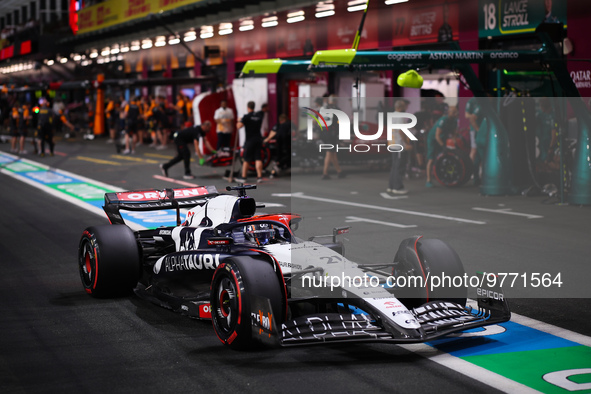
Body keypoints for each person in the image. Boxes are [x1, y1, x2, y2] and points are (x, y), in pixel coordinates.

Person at [425, 106, 458, 187]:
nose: (455, 114)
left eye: (456, 112)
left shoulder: (454, 121)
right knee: (431, 159)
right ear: (449, 112)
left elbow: (454, 134)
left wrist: (455, 144)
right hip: (433, 139)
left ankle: (441, 176)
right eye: (453, 112)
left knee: (443, 156)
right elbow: (437, 136)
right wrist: (443, 146)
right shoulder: (443, 120)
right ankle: (428, 180)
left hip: (442, 138)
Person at [387, 100, 413, 194]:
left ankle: (391, 186)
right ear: (400, 107)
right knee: (399, 166)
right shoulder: (400, 117)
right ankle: (397, 187)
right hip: (399, 145)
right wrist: (406, 143)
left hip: (392, 143)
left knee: (394, 166)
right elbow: (401, 131)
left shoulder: (392, 115)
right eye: (404, 106)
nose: (406, 108)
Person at [235, 101, 264, 183]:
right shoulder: (259, 116)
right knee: (258, 158)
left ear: (248, 107)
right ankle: (259, 177)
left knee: (246, 159)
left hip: (250, 140)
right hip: (258, 139)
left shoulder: (246, 117)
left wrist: (239, 120)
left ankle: (243, 177)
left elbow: (238, 126)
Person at [320, 95, 344, 179]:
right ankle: (325, 173)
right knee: (329, 152)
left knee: (333, 153)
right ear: (335, 101)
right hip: (332, 134)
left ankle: (339, 171)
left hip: (324, 133)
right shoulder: (336, 109)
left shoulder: (323, 108)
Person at [465, 97, 484, 185]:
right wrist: (477, 129)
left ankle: (478, 173)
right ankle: (469, 172)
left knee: (481, 152)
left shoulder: (483, 102)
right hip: (476, 130)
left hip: (482, 130)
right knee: (474, 150)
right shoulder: (473, 102)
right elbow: (468, 115)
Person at [536, 97, 558, 163]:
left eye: (541, 106)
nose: (541, 108)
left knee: (550, 163)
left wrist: (551, 148)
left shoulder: (554, 116)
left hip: (551, 146)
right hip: (543, 145)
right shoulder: (540, 114)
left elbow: (554, 135)